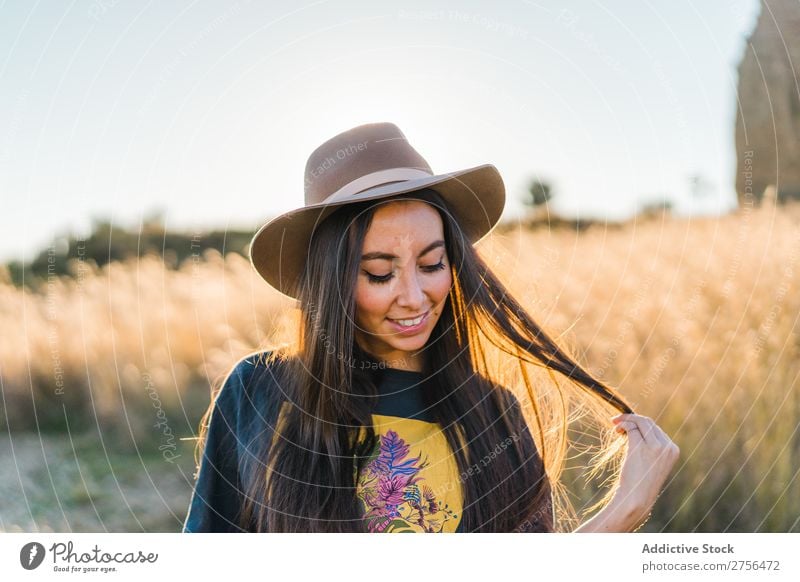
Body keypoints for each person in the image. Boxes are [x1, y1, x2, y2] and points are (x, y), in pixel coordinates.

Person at [182, 122, 679, 533]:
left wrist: (622, 514)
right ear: (330, 284)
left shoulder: (494, 414)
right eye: (379, 273)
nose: (415, 298)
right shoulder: (260, 393)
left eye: (432, 263)